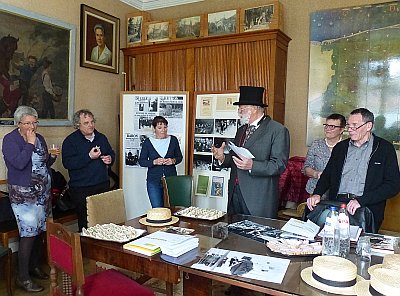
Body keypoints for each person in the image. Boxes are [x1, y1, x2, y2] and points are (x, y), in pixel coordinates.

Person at [307, 108, 400, 232]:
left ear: (368, 126)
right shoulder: (341, 147)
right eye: (349, 126)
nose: (350, 130)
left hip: (367, 208)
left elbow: (393, 185)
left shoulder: (384, 149)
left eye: (354, 126)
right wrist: (317, 194)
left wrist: (362, 200)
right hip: (338, 205)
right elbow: (327, 176)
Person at [2, 105, 60, 292]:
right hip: (23, 194)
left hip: (42, 192)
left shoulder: (40, 138)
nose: (32, 127)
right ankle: (22, 277)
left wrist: (52, 157)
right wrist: (29, 143)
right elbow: (19, 164)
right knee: (28, 234)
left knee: (41, 231)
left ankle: (34, 266)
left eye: (35, 122)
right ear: (18, 124)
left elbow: (42, 162)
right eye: (28, 123)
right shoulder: (10, 140)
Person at [211, 86, 290, 218]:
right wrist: (223, 158)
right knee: (234, 233)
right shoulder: (241, 130)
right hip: (235, 192)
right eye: (239, 109)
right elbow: (236, 157)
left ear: (254, 108)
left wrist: (253, 165)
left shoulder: (277, 130)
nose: (239, 112)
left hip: (258, 197)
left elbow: (279, 165)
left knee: (256, 236)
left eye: (242, 109)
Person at [62, 109, 115, 231]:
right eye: (86, 123)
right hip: (81, 188)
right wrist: (89, 157)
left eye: (92, 122)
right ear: (77, 125)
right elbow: (68, 163)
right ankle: (85, 249)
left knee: (103, 221)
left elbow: (111, 153)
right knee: (86, 223)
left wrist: (110, 159)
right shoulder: (70, 141)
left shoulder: (101, 137)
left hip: (102, 185)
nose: (90, 125)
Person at [138, 116, 183, 208]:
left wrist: (173, 160)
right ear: (154, 129)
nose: (163, 130)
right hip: (153, 180)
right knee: (157, 209)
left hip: (171, 179)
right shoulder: (148, 142)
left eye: (165, 127)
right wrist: (154, 162)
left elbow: (179, 157)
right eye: (160, 128)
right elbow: (141, 161)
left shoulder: (173, 140)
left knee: (172, 208)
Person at [303, 113, 346, 199]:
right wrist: (317, 174)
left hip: (338, 192)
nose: (327, 129)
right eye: (326, 125)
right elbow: (306, 168)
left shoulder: (346, 146)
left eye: (332, 127)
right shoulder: (316, 145)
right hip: (315, 190)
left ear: (341, 130)